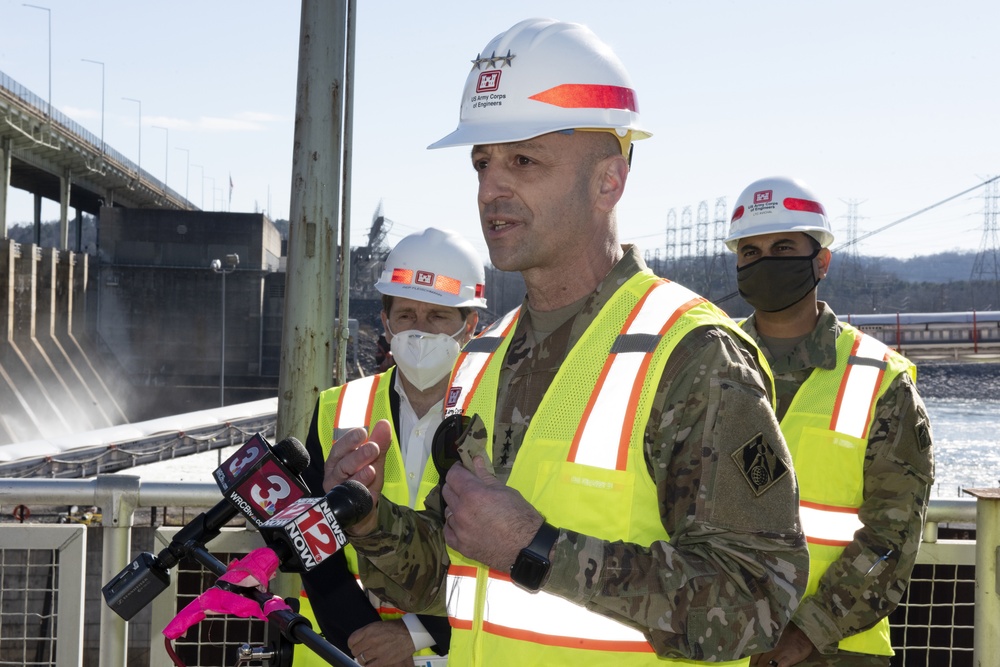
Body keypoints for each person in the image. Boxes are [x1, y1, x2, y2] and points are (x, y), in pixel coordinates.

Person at [320, 18, 810, 665]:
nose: (491, 188)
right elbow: (449, 575)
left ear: (609, 180)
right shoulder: (484, 358)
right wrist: (370, 519)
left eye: (523, 159)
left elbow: (759, 600)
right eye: (482, 162)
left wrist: (537, 547)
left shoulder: (694, 355)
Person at [725, 176, 935, 667]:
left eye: (782, 247)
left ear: (821, 261)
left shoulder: (879, 380)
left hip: (834, 652)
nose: (765, 262)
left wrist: (802, 635)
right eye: (750, 252)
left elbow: (892, 538)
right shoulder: (704, 360)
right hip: (716, 647)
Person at [296, 227, 485, 666]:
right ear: (385, 321)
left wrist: (416, 634)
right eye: (405, 315)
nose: (419, 332)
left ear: (470, 326)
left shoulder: (497, 414)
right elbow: (309, 542)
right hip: (344, 650)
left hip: (459, 651)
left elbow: (498, 549)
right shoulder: (336, 409)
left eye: (438, 316)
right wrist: (362, 642)